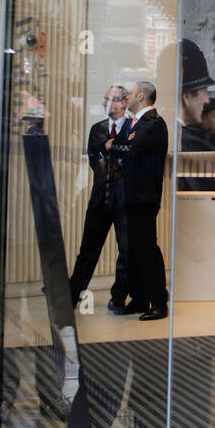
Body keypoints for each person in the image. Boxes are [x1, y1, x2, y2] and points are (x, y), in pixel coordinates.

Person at [67, 85, 132, 313]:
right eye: (106, 99)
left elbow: (128, 160)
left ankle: (119, 296)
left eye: (114, 100)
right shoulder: (98, 129)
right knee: (88, 248)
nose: (109, 104)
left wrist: (112, 151)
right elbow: (98, 161)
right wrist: (112, 152)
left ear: (125, 102)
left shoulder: (134, 128)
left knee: (125, 249)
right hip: (100, 196)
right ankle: (72, 294)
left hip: (124, 199)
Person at [109, 80, 169, 319]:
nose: (127, 98)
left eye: (131, 94)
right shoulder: (134, 124)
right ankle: (140, 297)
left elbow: (128, 151)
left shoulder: (153, 123)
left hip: (143, 196)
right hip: (129, 195)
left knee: (146, 249)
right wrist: (120, 146)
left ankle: (158, 301)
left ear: (142, 96)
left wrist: (119, 146)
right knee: (132, 249)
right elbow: (118, 149)